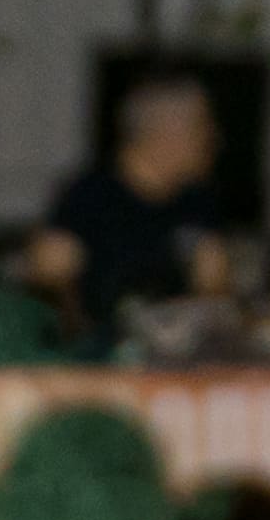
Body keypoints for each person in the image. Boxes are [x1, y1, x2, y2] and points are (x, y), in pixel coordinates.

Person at [19, 73, 234, 350]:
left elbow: (214, 286)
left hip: (175, 357)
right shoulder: (86, 197)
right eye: (202, 127)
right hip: (98, 357)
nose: (213, 139)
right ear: (167, 133)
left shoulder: (197, 202)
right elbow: (48, 279)